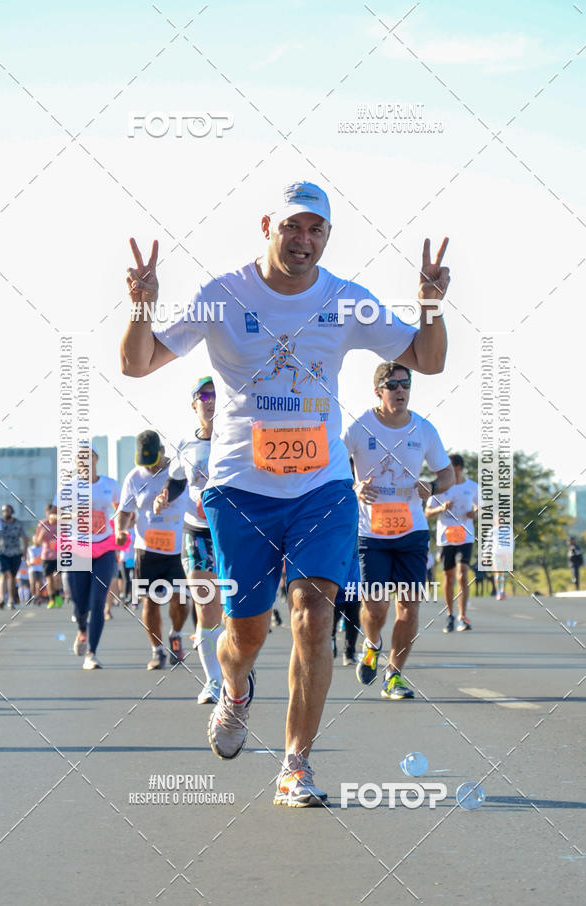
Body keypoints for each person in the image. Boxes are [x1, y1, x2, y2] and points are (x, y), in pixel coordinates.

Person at [121, 179, 449, 806]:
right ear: (268, 225)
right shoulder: (222, 296)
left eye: (317, 229)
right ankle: (236, 688)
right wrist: (142, 305)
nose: (304, 240)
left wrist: (430, 305)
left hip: (322, 489)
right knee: (244, 635)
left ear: (327, 236)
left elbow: (426, 360)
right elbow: (138, 364)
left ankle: (296, 763)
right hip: (241, 490)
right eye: (293, 226)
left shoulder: (346, 300)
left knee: (313, 615)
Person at [344, 362, 453, 699]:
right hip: (372, 534)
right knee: (376, 608)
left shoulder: (423, 429)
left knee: (409, 607)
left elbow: (447, 475)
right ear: (379, 390)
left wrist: (432, 487)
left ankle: (394, 675)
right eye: (393, 385)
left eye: (406, 384)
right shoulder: (360, 427)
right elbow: (332, 465)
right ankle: (372, 643)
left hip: (412, 532)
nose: (401, 391)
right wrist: (355, 486)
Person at [116, 430, 190, 670]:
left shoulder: (177, 472)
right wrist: (121, 530)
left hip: (177, 549)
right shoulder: (134, 478)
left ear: (162, 452)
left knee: (180, 600)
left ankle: (176, 635)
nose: (148, 467)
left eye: (152, 461)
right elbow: (126, 511)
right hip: (146, 549)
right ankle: (157, 650)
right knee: (150, 602)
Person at [176, 377, 224, 704]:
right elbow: (175, 483)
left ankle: (235, 665)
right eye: (204, 395)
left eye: (216, 394)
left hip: (232, 532)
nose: (211, 400)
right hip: (197, 533)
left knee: (233, 611)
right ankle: (213, 682)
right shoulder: (183, 446)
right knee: (206, 606)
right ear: (194, 403)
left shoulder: (238, 439)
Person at [53, 443, 120, 669]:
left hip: (104, 546)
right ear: (75, 462)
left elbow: (121, 510)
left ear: (96, 458)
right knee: (80, 603)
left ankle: (91, 653)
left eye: (88, 455)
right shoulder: (68, 488)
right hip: (78, 548)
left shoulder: (110, 484)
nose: (84, 459)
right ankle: (82, 629)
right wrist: (76, 514)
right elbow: (54, 519)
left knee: (98, 602)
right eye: (79, 456)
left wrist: (120, 528)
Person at [425, 453, 479, 632]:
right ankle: (450, 614)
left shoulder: (472, 487)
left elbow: (480, 508)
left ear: (459, 468)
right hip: (446, 537)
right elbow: (428, 512)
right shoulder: (440, 486)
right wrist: (442, 508)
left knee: (462, 573)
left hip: (465, 536)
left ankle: (463, 616)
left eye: (451, 468)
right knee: (448, 576)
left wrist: (474, 514)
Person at [0, 504, 28, 609]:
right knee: (4, 574)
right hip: (2, 553)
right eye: (3, 511)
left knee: (12, 576)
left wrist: (24, 552)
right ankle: (2, 599)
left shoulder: (18, 523)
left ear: (12, 511)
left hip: (16, 553)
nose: (5, 512)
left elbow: (25, 538)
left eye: (7, 510)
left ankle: (11, 599)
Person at [35, 504, 63, 609]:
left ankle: (58, 595)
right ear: (46, 513)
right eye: (49, 512)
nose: (51, 515)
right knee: (49, 579)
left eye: (53, 513)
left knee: (57, 577)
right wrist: (42, 534)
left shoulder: (60, 523)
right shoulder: (42, 524)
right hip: (46, 556)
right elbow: (37, 542)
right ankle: (51, 599)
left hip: (58, 555)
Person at [27, 537, 44, 605]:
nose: (36, 540)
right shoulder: (30, 548)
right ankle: (33, 596)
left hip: (40, 568)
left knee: (39, 584)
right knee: (32, 583)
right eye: (35, 539)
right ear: (33, 540)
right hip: (32, 568)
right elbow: (27, 558)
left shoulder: (42, 548)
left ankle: (38, 598)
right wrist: (28, 563)